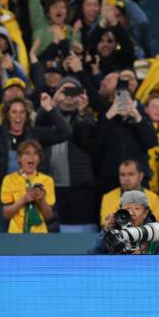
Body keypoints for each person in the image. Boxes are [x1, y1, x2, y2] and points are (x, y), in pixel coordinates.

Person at [0, 93, 70, 231]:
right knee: (1, 246)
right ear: (7, 115)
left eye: (22, 112)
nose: (18, 116)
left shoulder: (35, 134)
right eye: (14, 112)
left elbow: (65, 132)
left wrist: (49, 108)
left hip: (32, 200)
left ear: (27, 116)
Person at [42, 76, 98, 232]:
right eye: (64, 91)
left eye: (74, 91)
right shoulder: (47, 115)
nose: (68, 96)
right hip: (50, 185)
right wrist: (52, 103)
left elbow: (84, 139)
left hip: (79, 187)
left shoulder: (87, 117)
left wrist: (81, 111)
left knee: (81, 234)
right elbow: (35, 124)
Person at [91, 189, 159, 254]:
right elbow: (95, 255)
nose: (131, 213)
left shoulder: (158, 233)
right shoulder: (114, 232)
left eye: (137, 208)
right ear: (121, 211)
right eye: (127, 209)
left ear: (145, 213)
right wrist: (105, 231)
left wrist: (142, 258)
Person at [0, 139, 55, 233]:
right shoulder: (9, 180)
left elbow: (48, 216)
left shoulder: (47, 180)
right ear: (19, 158)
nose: (31, 157)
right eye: (27, 153)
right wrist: (24, 200)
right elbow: (6, 215)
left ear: (39, 159)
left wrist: (42, 201)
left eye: (35, 154)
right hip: (16, 234)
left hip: (40, 234)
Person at [101, 159, 159, 230]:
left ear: (141, 176)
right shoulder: (108, 197)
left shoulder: (155, 198)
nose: (126, 178)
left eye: (131, 174)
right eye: (122, 175)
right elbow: (105, 225)